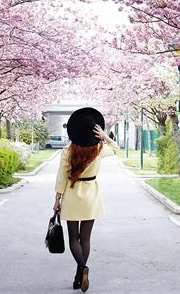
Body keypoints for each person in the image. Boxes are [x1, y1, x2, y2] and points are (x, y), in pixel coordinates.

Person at [54, 107, 118, 292]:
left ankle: (81, 269)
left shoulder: (68, 150)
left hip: (72, 194)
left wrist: (57, 199)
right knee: (86, 238)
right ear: (93, 131)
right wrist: (105, 136)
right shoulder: (99, 149)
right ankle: (79, 274)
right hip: (91, 195)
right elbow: (116, 148)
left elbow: (62, 176)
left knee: (74, 238)